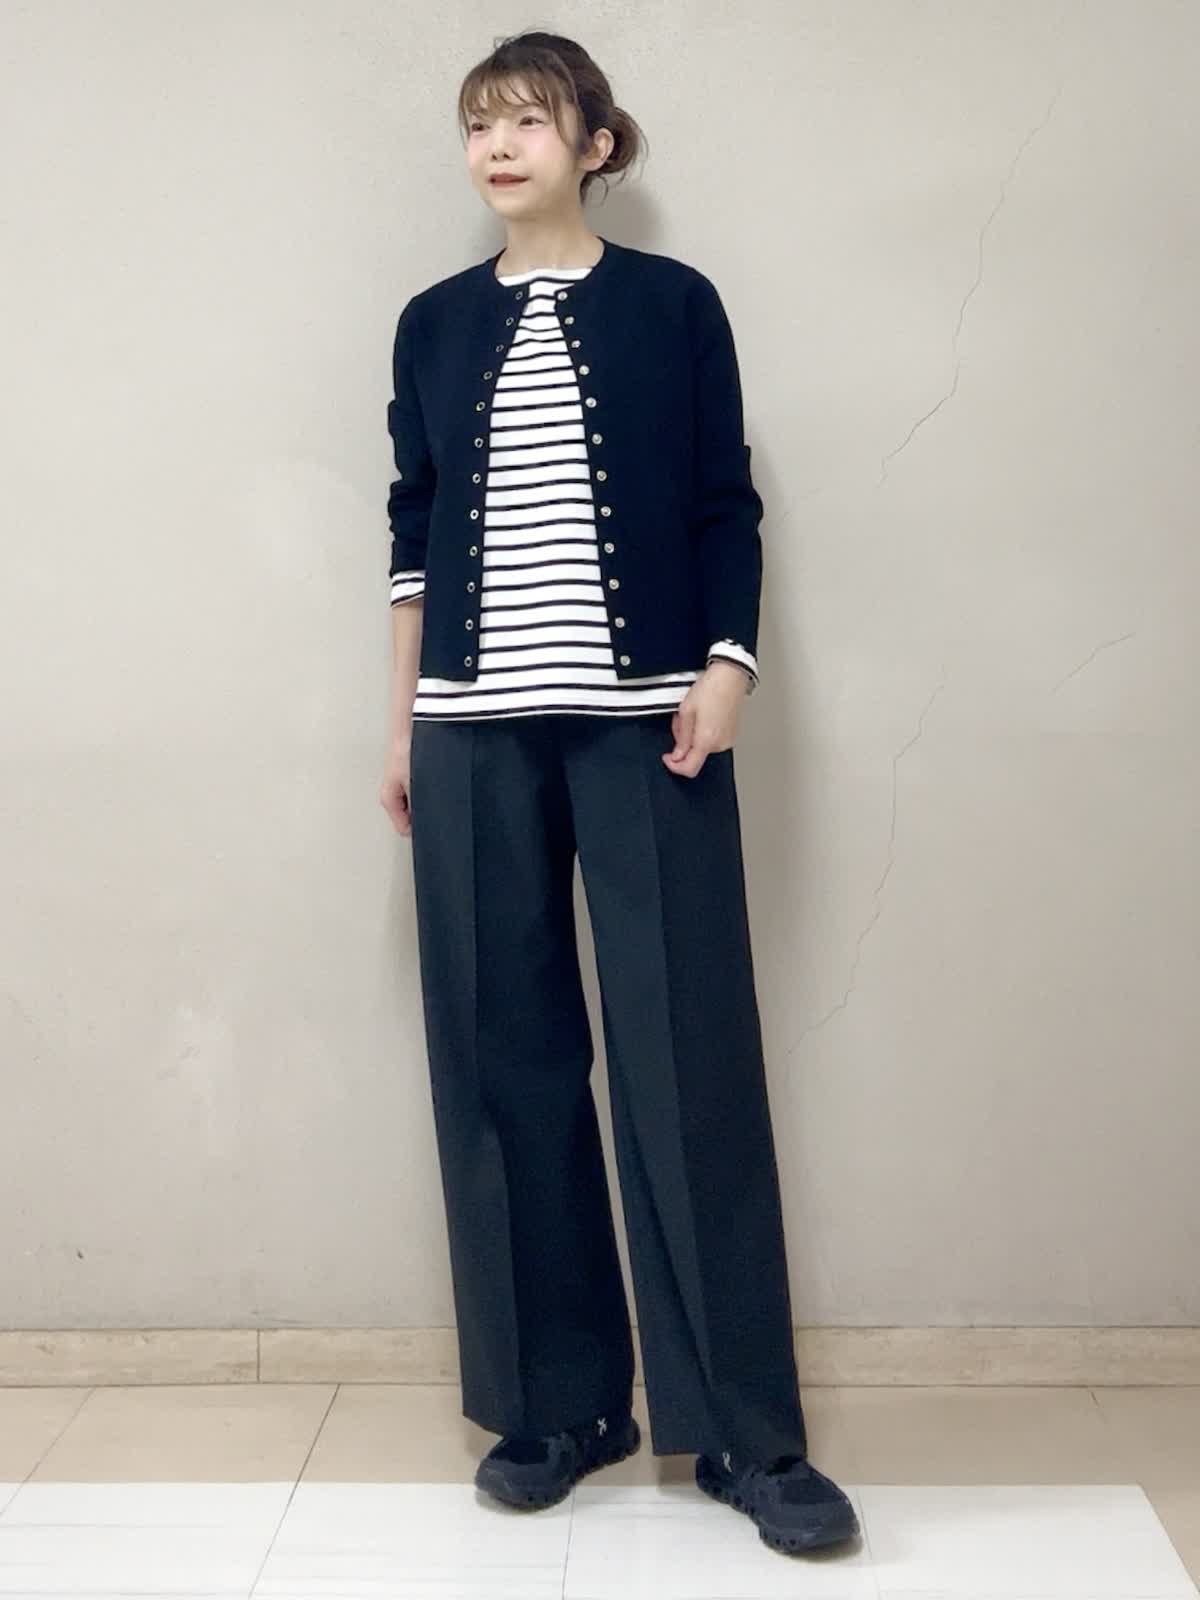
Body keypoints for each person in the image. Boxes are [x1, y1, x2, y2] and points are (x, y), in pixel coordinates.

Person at [378, 29, 858, 1558]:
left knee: (685, 1053)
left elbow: (725, 501)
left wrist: (727, 668)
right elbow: (413, 529)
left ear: (595, 144)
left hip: (648, 723)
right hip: (469, 730)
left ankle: (746, 1434)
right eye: (478, 123)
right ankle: (559, 1405)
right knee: (500, 1057)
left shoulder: (673, 306)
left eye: (529, 119)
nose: (497, 145)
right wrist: (401, 726)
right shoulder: (432, 325)